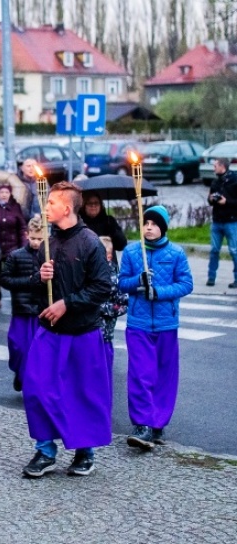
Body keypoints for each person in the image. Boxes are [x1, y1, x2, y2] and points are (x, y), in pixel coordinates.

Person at [21, 182, 112, 479]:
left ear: (67, 208)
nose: (45, 208)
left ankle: (85, 451)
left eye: (50, 204)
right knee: (36, 389)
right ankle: (46, 450)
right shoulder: (49, 241)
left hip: (82, 332)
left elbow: (102, 287)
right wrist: (39, 276)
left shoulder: (90, 242)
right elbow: (37, 288)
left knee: (81, 393)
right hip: (49, 332)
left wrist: (67, 304)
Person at [118, 205, 193, 450]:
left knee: (164, 376)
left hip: (166, 324)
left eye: (154, 224)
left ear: (163, 227)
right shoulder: (131, 252)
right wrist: (138, 283)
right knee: (140, 374)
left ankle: (157, 424)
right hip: (138, 324)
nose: (148, 228)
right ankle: (141, 425)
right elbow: (122, 283)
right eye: (145, 223)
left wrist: (159, 292)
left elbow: (186, 284)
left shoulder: (176, 253)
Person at [0, 217, 44, 392]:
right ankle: (19, 372)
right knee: (18, 346)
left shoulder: (49, 255)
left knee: (35, 351)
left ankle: (29, 382)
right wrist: (29, 281)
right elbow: (4, 279)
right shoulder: (16, 255)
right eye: (33, 238)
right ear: (27, 235)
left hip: (41, 309)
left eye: (40, 239)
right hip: (22, 309)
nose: (36, 242)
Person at [0, 183, 27, 309]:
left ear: (10, 194)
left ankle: (15, 298)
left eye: (7, 192)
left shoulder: (15, 207)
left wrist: (23, 245)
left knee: (13, 274)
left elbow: (22, 227)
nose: (4, 195)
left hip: (13, 247)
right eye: (1, 192)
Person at [98, 236, 128, 370]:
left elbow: (124, 303)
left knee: (104, 368)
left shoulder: (115, 279)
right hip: (88, 333)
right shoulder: (87, 274)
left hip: (105, 334)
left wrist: (104, 309)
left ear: (109, 257)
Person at [207, 157, 237, 288]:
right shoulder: (215, 182)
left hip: (231, 221)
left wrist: (227, 202)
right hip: (217, 221)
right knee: (214, 250)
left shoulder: (234, 180)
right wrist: (211, 199)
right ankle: (211, 277)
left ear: (222, 166)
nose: (214, 169)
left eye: (215, 166)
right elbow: (210, 200)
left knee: (234, 251)